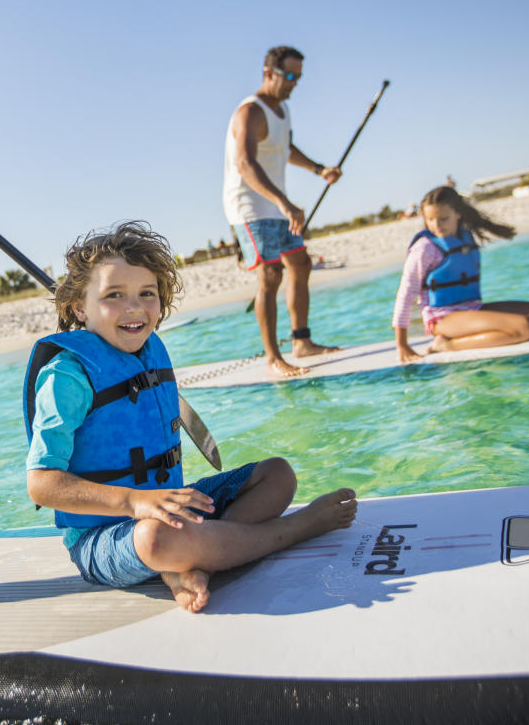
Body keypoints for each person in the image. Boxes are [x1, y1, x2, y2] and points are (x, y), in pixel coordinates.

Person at [23, 222, 357, 612]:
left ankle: (193, 564)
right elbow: (41, 485)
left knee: (277, 474)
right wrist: (135, 503)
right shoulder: (67, 376)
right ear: (80, 307)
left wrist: (159, 503)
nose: (134, 308)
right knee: (156, 540)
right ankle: (293, 529)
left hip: (172, 508)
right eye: (114, 295)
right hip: (107, 537)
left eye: (146, 294)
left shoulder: (150, 350)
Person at [223, 45, 344, 378]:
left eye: (298, 77)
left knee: (301, 264)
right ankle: (274, 358)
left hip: (275, 203)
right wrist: (284, 202)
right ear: (268, 72)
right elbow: (245, 163)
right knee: (271, 275)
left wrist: (319, 169)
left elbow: (285, 148)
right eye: (289, 76)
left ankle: (301, 341)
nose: (294, 83)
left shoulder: (283, 110)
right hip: (248, 205)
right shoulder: (250, 112)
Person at [392, 186, 529, 363]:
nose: (436, 225)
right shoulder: (425, 248)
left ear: (458, 214)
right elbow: (406, 293)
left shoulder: (465, 237)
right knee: (524, 328)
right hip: (443, 318)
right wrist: (402, 344)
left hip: (472, 308)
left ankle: (482, 335)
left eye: (443, 219)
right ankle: (445, 345)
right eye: (430, 220)